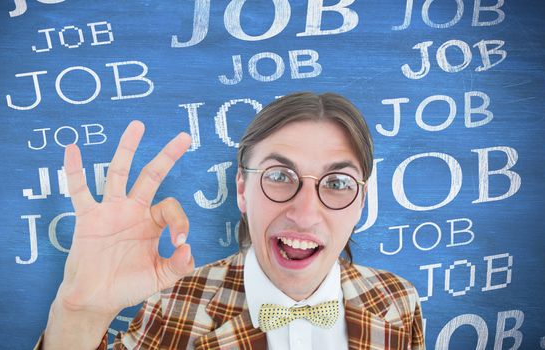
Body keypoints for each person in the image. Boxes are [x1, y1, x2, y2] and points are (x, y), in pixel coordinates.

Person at [35, 92, 425, 350]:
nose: (305, 214)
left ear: (361, 202)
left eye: (338, 183)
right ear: (241, 189)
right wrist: (77, 313)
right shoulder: (175, 307)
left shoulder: (397, 302)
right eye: (278, 176)